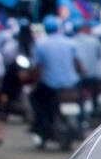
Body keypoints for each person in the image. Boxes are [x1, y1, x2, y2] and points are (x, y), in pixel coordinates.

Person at [31, 14, 83, 145]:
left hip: (50, 86)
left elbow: (37, 68)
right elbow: (78, 65)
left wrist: (34, 81)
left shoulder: (41, 44)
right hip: (71, 84)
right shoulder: (70, 43)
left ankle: (42, 127)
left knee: (35, 98)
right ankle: (82, 125)